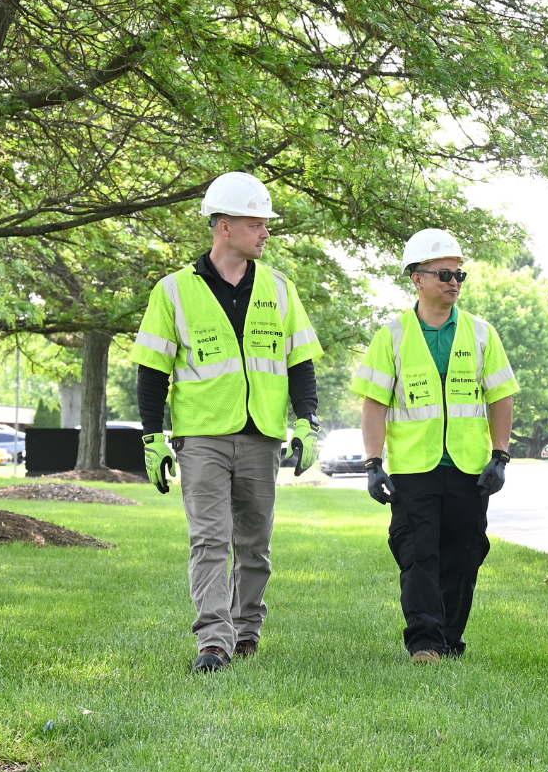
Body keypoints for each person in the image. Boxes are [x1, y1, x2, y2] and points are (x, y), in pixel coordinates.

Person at [131, 172, 323, 673]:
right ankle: (213, 641)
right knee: (210, 538)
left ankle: (246, 631)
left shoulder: (281, 289)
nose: (265, 234)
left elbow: (300, 363)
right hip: (202, 437)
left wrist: (308, 423)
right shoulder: (173, 291)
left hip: (262, 434)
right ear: (223, 226)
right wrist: (153, 437)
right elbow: (152, 372)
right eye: (256, 224)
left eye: (265, 225)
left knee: (255, 543)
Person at [349, 229, 517, 664]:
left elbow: (501, 397)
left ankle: (449, 639)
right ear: (417, 279)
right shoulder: (393, 336)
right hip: (414, 468)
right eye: (444, 273)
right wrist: (372, 463)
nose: (454, 281)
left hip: (469, 468)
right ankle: (424, 641)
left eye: (459, 274)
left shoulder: (482, 333)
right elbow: (374, 404)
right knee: (417, 552)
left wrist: (501, 455)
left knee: (465, 554)